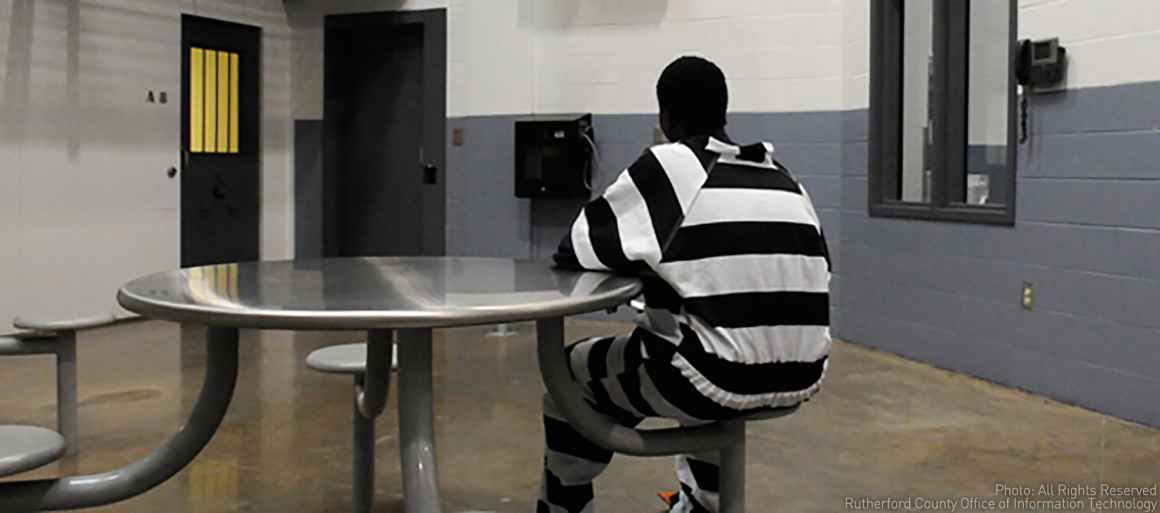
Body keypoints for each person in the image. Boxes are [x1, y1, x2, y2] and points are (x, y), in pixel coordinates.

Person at [538, 56, 832, 513]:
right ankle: (704, 502)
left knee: (567, 375)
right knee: (708, 341)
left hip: (712, 376)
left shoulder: (672, 166)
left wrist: (645, 265)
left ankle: (565, 502)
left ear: (665, 118)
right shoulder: (785, 179)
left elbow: (575, 248)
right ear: (724, 114)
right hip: (805, 371)